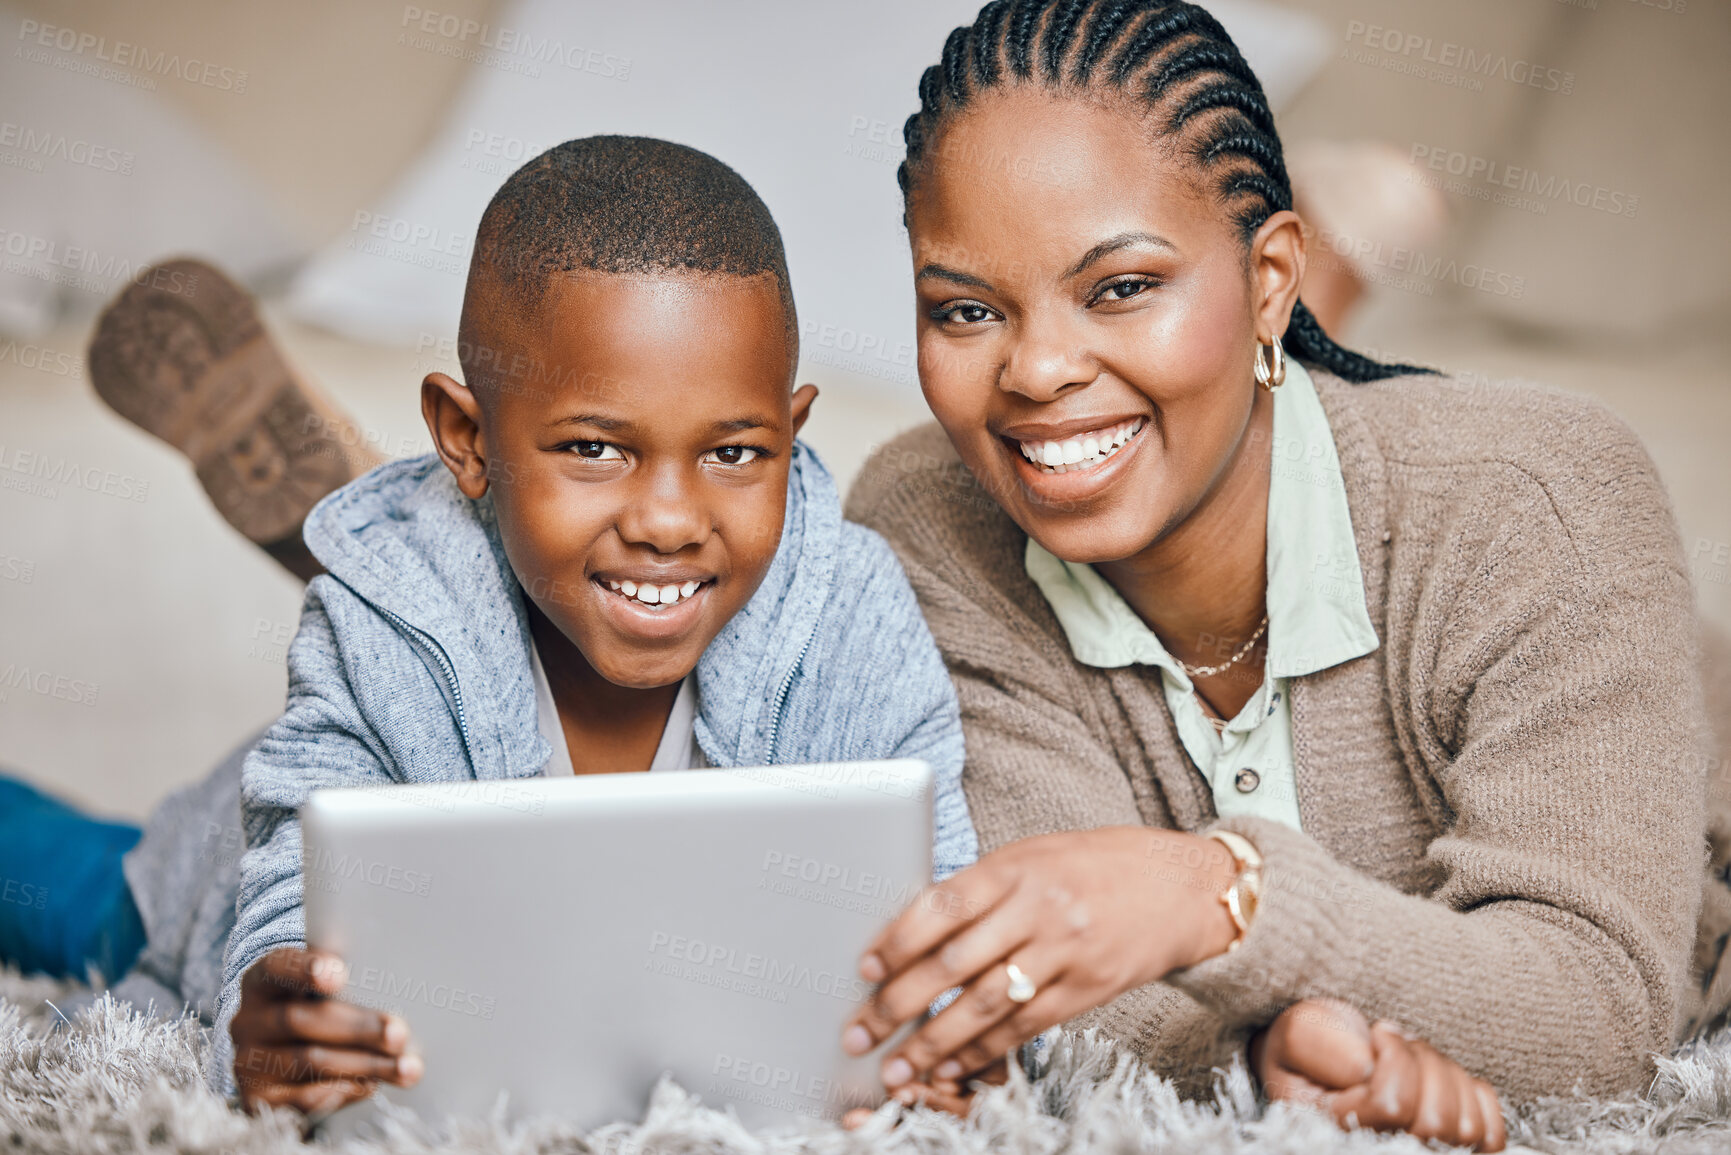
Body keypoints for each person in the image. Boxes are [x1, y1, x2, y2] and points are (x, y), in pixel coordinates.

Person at [838, 2, 1731, 1151]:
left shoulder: (1548, 498)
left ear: (1268, 278)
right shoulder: (927, 524)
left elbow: (1599, 1018)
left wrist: (1215, 893)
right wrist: (1284, 1056)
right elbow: (1059, 979)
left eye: (1120, 286)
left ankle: (1331, 275)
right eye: (965, 310)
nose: (1037, 370)